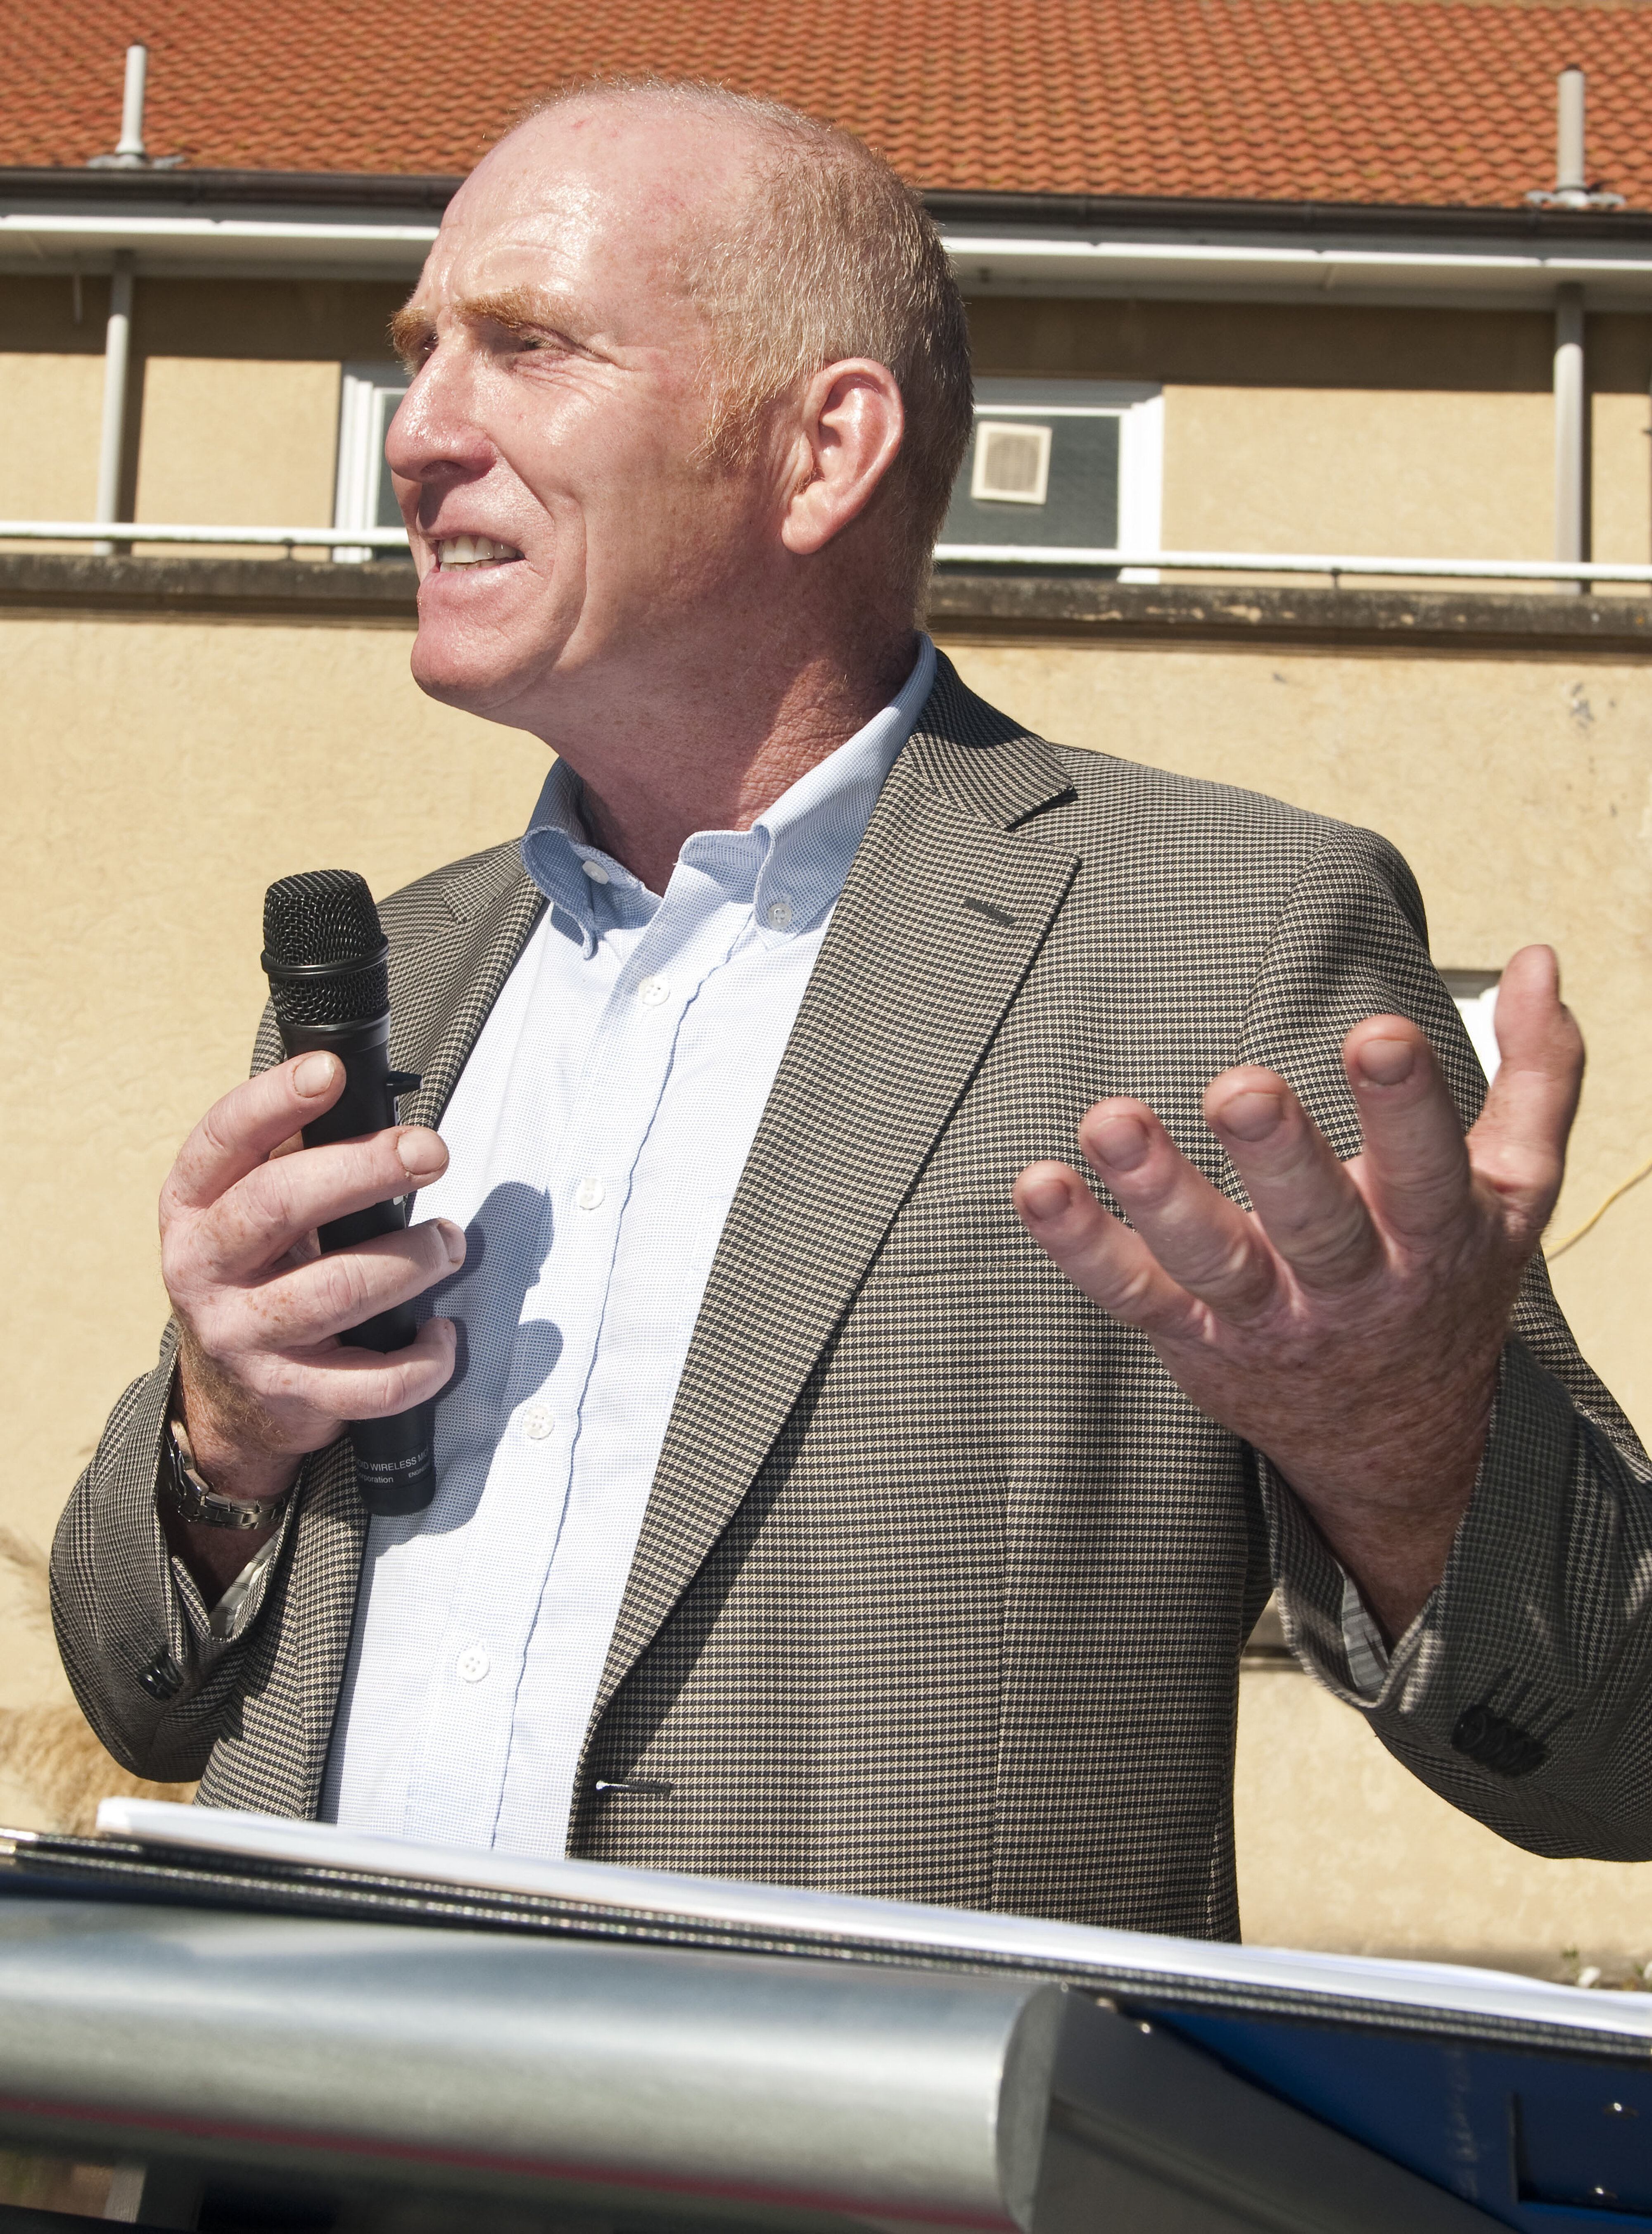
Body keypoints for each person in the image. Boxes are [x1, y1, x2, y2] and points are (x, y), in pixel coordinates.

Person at [52, 81, 1652, 1937]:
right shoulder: (395, 973)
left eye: (525, 345)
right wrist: (217, 1442)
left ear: (821, 450)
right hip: (284, 2155)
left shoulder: (1223, 930)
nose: (417, 431)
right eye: (416, 355)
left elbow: (1617, 1746)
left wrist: (1404, 1447)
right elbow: (136, 1685)